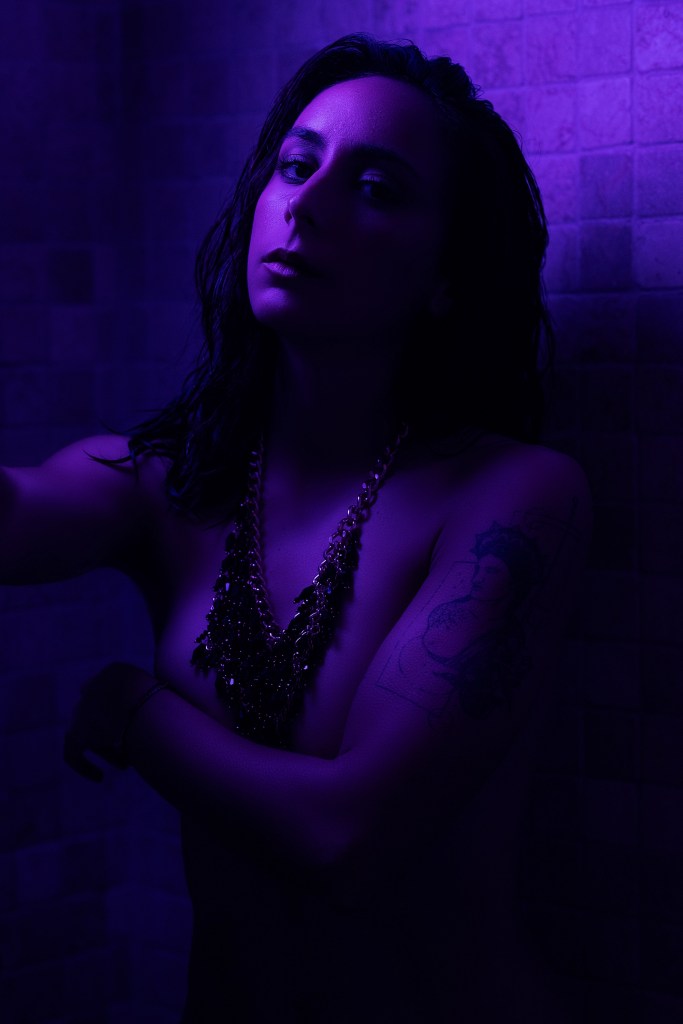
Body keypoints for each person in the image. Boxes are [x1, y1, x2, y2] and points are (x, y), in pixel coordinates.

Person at [1, 34, 591, 1022]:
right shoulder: (173, 486)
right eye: (294, 164)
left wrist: (133, 711)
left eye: (375, 187)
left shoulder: (513, 499)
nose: (305, 205)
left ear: (445, 275)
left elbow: (345, 836)